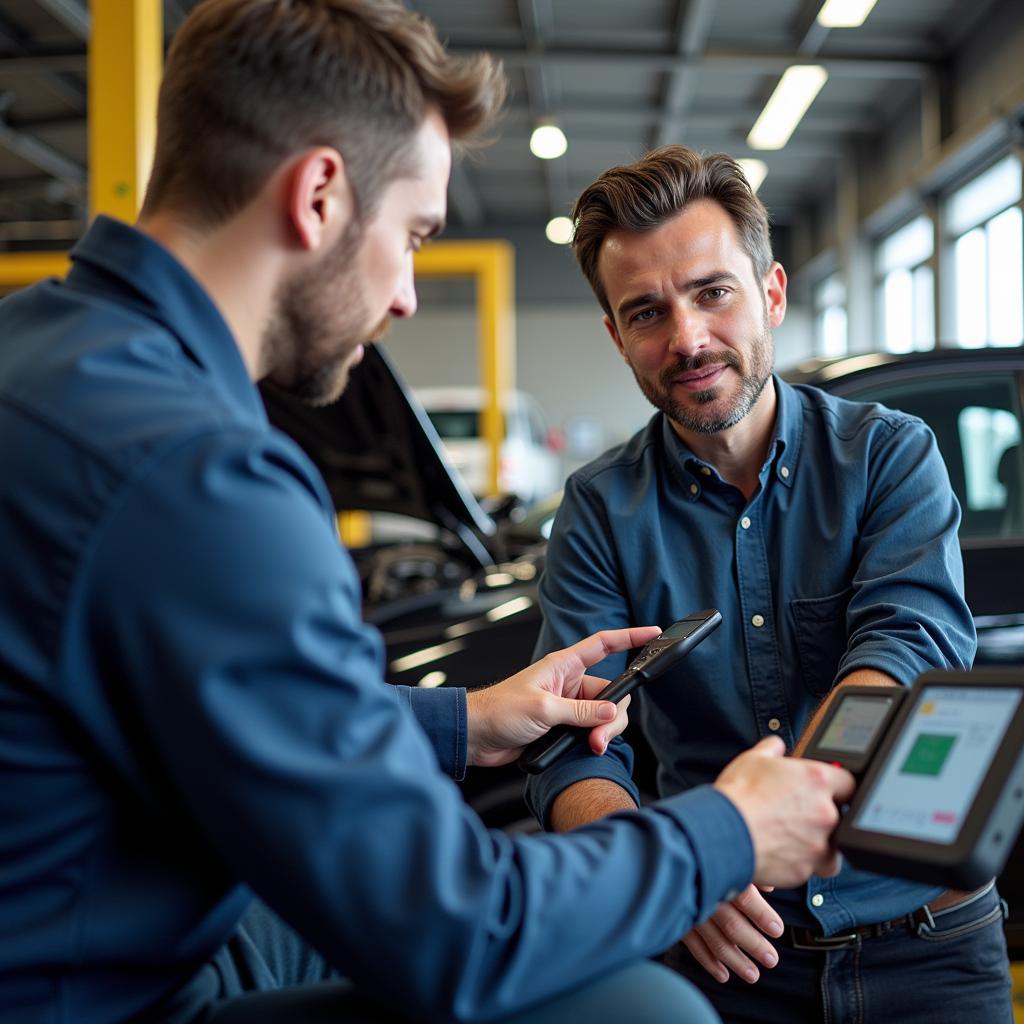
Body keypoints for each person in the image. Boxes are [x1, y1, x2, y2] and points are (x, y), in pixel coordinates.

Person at [0, 5, 858, 1024]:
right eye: (410, 235)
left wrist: (468, 722)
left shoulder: (38, 350)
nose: (407, 294)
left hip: (77, 913)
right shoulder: (198, 474)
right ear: (318, 195)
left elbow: (234, 713)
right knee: (638, 1012)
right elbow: (463, 933)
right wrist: (726, 829)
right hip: (104, 994)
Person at [524, 144, 1015, 1023]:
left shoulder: (888, 456)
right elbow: (571, 739)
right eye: (646, 311)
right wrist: (668, 873)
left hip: (926, 945)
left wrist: (727, 840)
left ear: (773, 293)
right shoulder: (597, 511)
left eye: (713, 291)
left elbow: (904, 648)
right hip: (729, 958)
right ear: (615, 335)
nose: (687, 339)